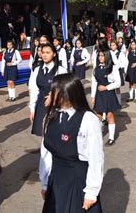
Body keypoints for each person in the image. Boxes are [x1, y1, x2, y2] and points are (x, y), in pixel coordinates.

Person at [39, 74, 103, 212]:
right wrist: (45, 183)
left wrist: (91, 192)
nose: (48, 94)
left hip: (77, 180)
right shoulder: (49, 118)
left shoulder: (88, 119)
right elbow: (45, 153)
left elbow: (95, 158)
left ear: (66, 95)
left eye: (52, 91)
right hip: (55, 180)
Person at [29, 43, 68, 136]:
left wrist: (53, 96)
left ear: (54, 54)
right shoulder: (37, 70)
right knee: (43, 135)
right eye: (43, 52)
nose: (45, 55)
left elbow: (66, 90)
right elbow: (34, 90)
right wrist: (32, 109)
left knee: (55, 135)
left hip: (56, 106)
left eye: (48, 52)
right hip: (41, 105)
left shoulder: (61, 70)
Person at [91, 50, 121, 146]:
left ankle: (111, 138)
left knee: (109, 116)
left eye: (102, 56)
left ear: (107, 57)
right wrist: (92, 96)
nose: (100, 58)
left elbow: (118, 82)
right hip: (99, 94)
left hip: (108, 93)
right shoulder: (96, 68)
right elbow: (94, 82)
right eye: (99, 56)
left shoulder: (112, 68)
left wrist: (106, 87)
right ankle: (98, 135)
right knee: (98, 115)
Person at [110, 40, 128, 104]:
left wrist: (118, 67)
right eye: (111, 45)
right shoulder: (110, 53)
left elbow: (125, 62)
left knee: (117, 87)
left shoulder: (120, 53)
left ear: (116, 46)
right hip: (110, 72)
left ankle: (118, 101)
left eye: (113, 45)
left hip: (117, 71)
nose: (112, 47)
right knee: (111, 87)